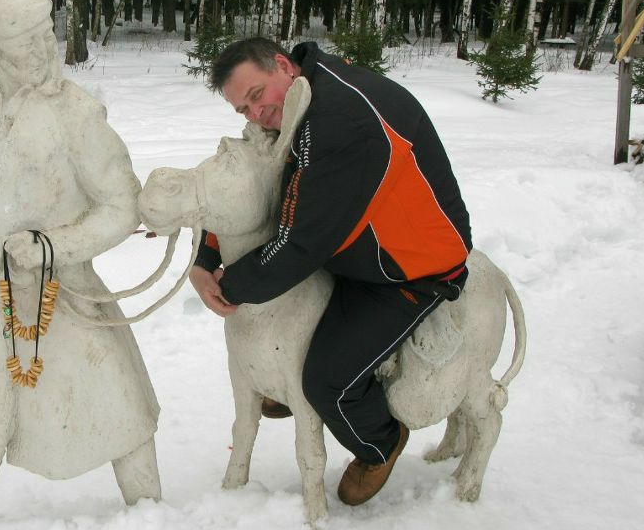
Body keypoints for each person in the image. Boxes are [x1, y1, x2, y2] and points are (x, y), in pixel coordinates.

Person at [189, 37, 471, 506]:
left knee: (326, 381)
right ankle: (290, 385)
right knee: (287, 329)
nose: (255, 116)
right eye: (243, 110)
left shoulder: (339, 119)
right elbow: (244, 187)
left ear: (283, 65)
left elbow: (302, 241)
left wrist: (230, 285)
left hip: (410, 268)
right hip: (354, 252)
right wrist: (205, 258)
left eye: (257, 96)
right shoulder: (303, 96)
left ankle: (380, 443)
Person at [0, 0, 160, 522]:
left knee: (117, 400)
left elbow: (123, 205)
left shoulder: (76, 114)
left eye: (47, 36)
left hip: (65, 292)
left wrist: (55, 246)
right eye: (29, 41)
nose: (45, 51)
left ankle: (151, 515)